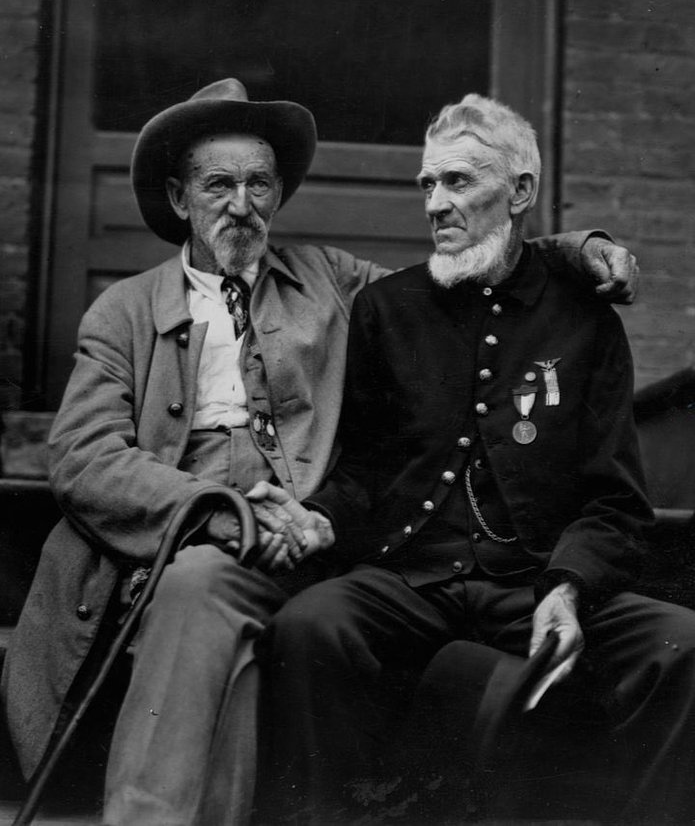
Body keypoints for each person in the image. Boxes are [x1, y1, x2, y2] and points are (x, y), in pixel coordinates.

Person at [2, 79, 637, 826]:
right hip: (183, 539)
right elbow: (82, 455)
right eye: (218, 185)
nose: (241, 205)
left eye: (259, 184)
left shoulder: (331, 281)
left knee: (265, 618)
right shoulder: (125, 311)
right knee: (201, 591)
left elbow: (472, 269)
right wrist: (213, 509)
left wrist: (576, 252)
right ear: (179, 198)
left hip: (312, 538)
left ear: (278, 195)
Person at [261, 93, 695, 825]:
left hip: (536, 582)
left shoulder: (584, 320)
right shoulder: (387, 309)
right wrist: (318, 518)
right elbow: (363, 472)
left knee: (682, 646)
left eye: (458, 181)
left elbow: (615, 503)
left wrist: (566, 588)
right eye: (427, 184)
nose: (435, 203)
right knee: (310, 625)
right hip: (411, 579)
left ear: (519, 192)